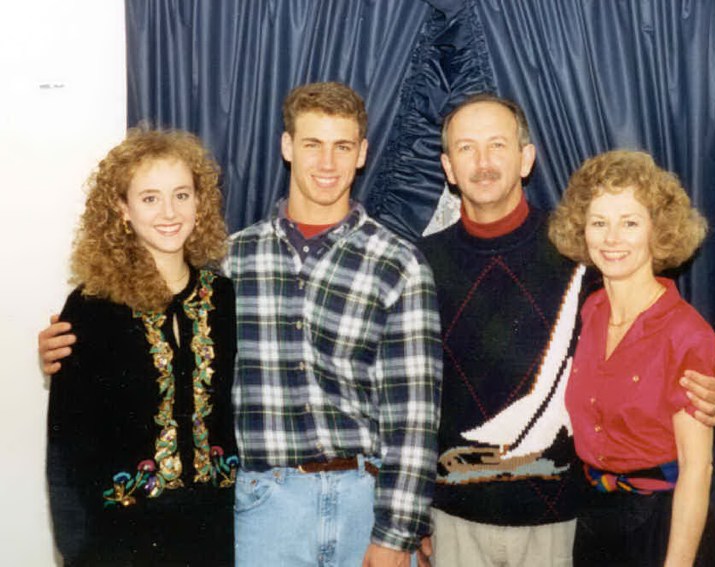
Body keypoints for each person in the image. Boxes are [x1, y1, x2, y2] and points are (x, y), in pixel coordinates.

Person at [41, 82, 442, 567]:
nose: (327, 162)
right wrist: (65, 346)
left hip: (363, 501)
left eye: (342, 146)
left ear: (362, 154)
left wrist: (398, 533)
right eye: (312, 144)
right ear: (287, 146)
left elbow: (414, 416)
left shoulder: (398, 264)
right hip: (264, 508)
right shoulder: (233, 263)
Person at [416, 94, 715, 567]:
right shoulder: (419, 263)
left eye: (497, 145)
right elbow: (406, 396)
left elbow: (664, 347)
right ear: (448, 167)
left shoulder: (583, 259)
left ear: (526, 158)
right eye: (466, 148)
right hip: (457, 519)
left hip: (564, 522)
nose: (483, 163)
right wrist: (414, 514)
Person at [46, 128, 238, 565]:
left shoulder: (223, 297)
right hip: (118, 540)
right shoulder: (92, 306)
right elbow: (67, 444)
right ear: (122, 209)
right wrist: (77, 550)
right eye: (150, 198)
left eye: (181, 195)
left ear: (199, 203)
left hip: (212, 532)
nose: (169, 212)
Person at [548, 150, 715, 565]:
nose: (612, 238)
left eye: (629, 223)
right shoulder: (592, 312)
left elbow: (697, 470)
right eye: (599, 222)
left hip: (664, 526)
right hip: (596, 521)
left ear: (657, 231)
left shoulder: (687, 334)